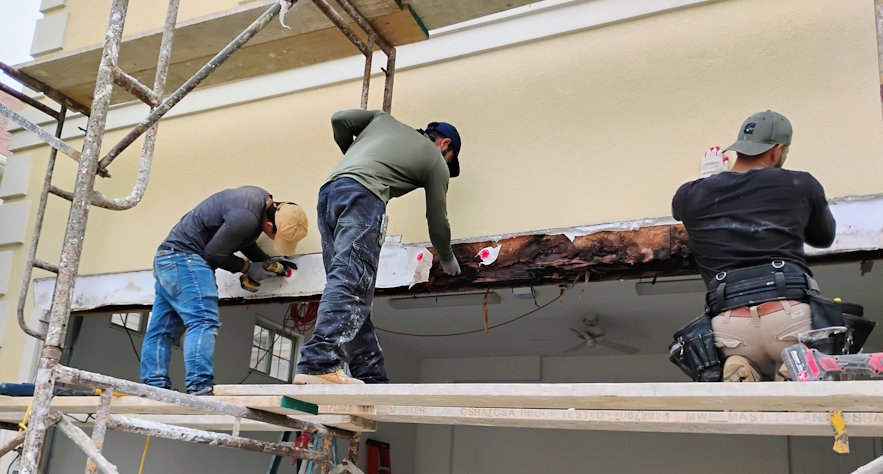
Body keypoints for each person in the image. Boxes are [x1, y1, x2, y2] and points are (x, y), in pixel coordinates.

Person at [294, 109, 463, 385]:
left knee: (351, 287)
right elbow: (437, 219)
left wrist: (352, 154)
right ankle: (318, 363)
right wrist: (446, 256)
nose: (445, 164)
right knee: (351, 283)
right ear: (445, 144)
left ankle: (371, 376)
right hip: (364, 197)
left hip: (329, 193)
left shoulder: (381, 121)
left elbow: (339, 119)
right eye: (449, 159)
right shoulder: (435, 159)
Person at [672, 110, 836, 382]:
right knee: (816, 377)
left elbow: (682, 210)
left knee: (747, 385)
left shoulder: (691, 194)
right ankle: (795, 365)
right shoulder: (800, 183)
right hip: (790, 318)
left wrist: (709, 180)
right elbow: (823, 237)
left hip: (729, 327)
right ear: (776, 150)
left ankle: (742, 362)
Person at [140, 186, 308, 395]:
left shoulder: (258, 201)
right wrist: (248, 268)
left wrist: (266, 262)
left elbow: (242, 240)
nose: (275, 240)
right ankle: (199, 386)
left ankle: (153, 385)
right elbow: (213, 254)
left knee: (161, 330)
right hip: (186, 260)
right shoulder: (247, 216)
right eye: (277, 236)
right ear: (269, 224)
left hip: (167, 258)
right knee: (203, 321)